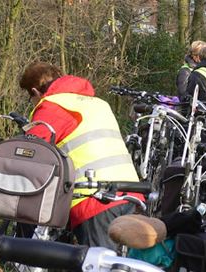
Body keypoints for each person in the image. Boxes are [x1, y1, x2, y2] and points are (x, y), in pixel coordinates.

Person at [19, 62, 141, 249]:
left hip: (95, 199)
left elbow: (32, 152)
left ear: (35, 91)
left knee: (98, 265)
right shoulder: (98, 103)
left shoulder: (52, 105)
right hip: (131, 192)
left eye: (30, 98)